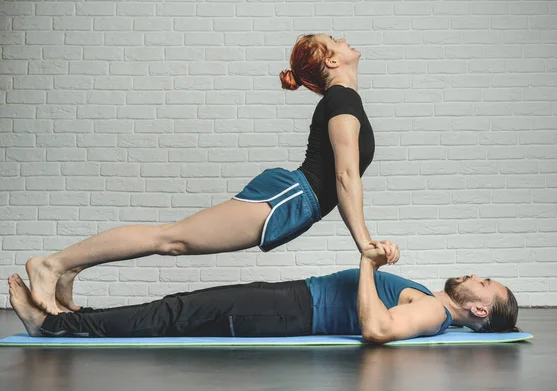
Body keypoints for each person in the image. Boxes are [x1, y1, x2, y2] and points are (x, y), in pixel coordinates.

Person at [25, 33, 399, 315]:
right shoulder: (342, 100)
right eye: (334, 39)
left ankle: (68, 269)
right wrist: (364, 244)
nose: (343, 39)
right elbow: (346, 176)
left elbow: (346, 175)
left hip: (293, 201)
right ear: (332, 62)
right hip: (287, 199)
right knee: (171, 240)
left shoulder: (343, 99)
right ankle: (51, 264)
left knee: (171, 239)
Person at [10, 241, 519, 343]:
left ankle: (54, 323)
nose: (477, 273)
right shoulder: (428, 299)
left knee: (174, 313)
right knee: (176, 311)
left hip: (289, 312)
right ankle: (69, 317)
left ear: (478, 307)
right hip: (288, 302)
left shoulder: (432, 309)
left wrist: (367, 264)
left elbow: (378, 328)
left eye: (486, 282)